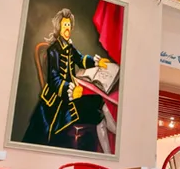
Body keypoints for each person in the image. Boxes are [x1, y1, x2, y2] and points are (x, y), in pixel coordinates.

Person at [23, 8, 113, 151]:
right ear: (59, 27)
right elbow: (54, 80)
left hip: (72, 93)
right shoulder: (53, 50)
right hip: (57, 99)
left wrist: (96, 62)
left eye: (69, 25)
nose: (67, 28)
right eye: (65, 25)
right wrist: (69, 90)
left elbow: (80, 59)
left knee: (98, 103)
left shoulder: (69, 46)